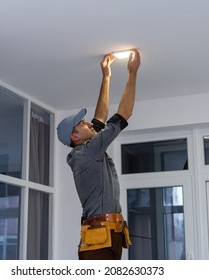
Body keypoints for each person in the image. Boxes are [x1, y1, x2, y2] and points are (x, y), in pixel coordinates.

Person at [57, 49, 141, 260]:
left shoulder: (85, 150)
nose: (88, 123)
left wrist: (106, 76)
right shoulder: (86, 153)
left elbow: (100, 117)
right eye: (82, 123)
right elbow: (124, 114)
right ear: (75, 136)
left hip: (107, 233)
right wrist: (132, 73)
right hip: (100, 237)